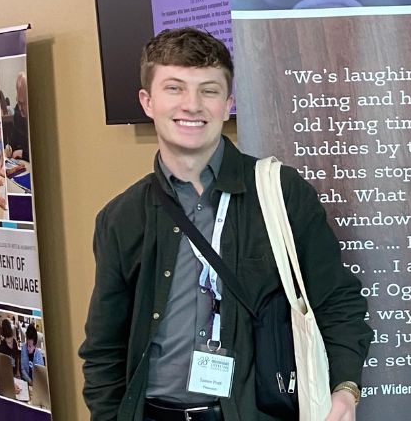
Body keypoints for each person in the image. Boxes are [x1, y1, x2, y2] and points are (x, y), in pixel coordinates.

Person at [79, 28, 372, 421]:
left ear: (228, 103)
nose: (192, 105)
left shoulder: (280, 193)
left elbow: (337, 301)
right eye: (175, 88)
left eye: (209, 90)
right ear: (147, 102)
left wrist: (346, 390)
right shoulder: (121, 218)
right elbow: (104, 349)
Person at [7, 72, 30, 161]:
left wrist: (23, 153)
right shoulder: (17, 112)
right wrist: (10, 148)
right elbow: (14, 139)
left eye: (22, 103)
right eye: (18, 102)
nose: (19, 108)